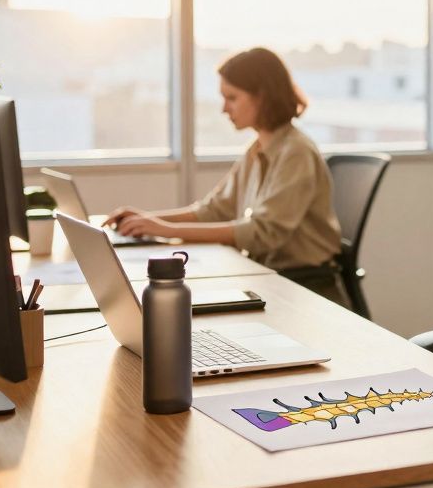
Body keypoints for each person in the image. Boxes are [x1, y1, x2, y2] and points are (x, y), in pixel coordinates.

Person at [104, 47, 346, 305]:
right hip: (268, 277)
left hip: (303, 288)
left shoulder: (296, 152)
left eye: (232, 98)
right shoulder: (258, 148)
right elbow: (215, 210)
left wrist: (167, 230)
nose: (224, 109)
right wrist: (148, 220)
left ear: (262, 97)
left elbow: (263, 233)